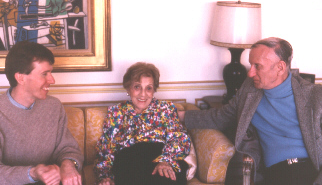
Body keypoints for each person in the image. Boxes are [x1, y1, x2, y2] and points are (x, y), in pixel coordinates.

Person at [179, 37, 322, 185]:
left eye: (257, 66)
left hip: (307, 170)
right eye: (250, 65)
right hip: (270, 172)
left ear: (280, 67)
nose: (250, 73)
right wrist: (177, 115)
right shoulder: (250, 89)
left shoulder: (315, 96)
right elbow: (221, 116)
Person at [0, 41, 84, 185]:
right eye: (44, 74)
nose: (52, 80)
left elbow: (67, 148)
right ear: (20, 78)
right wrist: (33, 172)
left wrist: (68, 165)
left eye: (50, 73)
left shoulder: (53, 106)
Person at [94, 62, 191, 185]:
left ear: (154, 90)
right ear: (128, 88)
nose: (143, 94)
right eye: (137, 87)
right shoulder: (116, 112)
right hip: (129, 163)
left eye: (148, 88)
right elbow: (106, 148)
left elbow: (179, 138)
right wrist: (105, 176)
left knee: (168, 177)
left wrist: (166, 160)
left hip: (160, 160)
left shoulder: (166, 108)